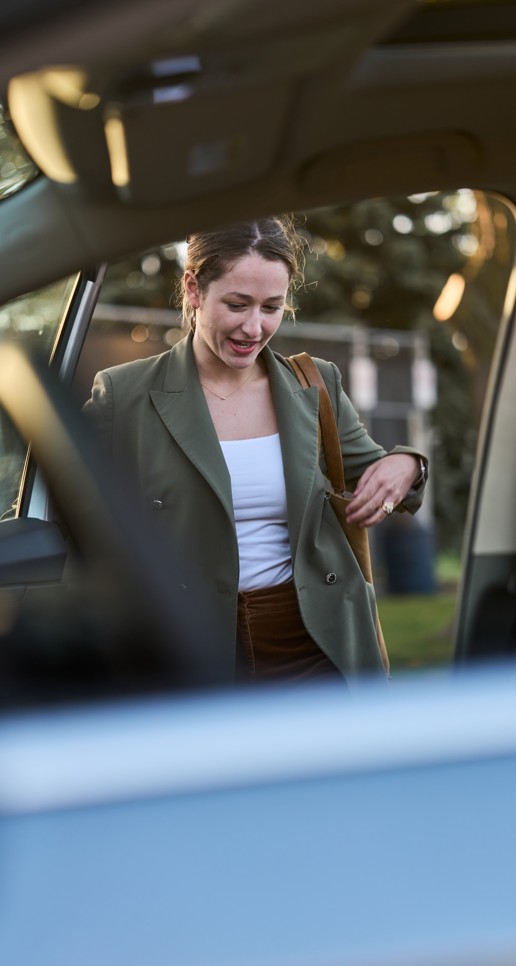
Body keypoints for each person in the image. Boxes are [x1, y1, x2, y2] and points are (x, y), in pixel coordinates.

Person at [83, 216, 428, 684]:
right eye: (237, 304)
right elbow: (75, 527)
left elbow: (382, 472)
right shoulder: (124, 395)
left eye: (272, 307)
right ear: (192, 290)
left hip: (311, 641)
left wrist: (406, 462)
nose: (254, 327)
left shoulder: (316, 383)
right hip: (189, 646)